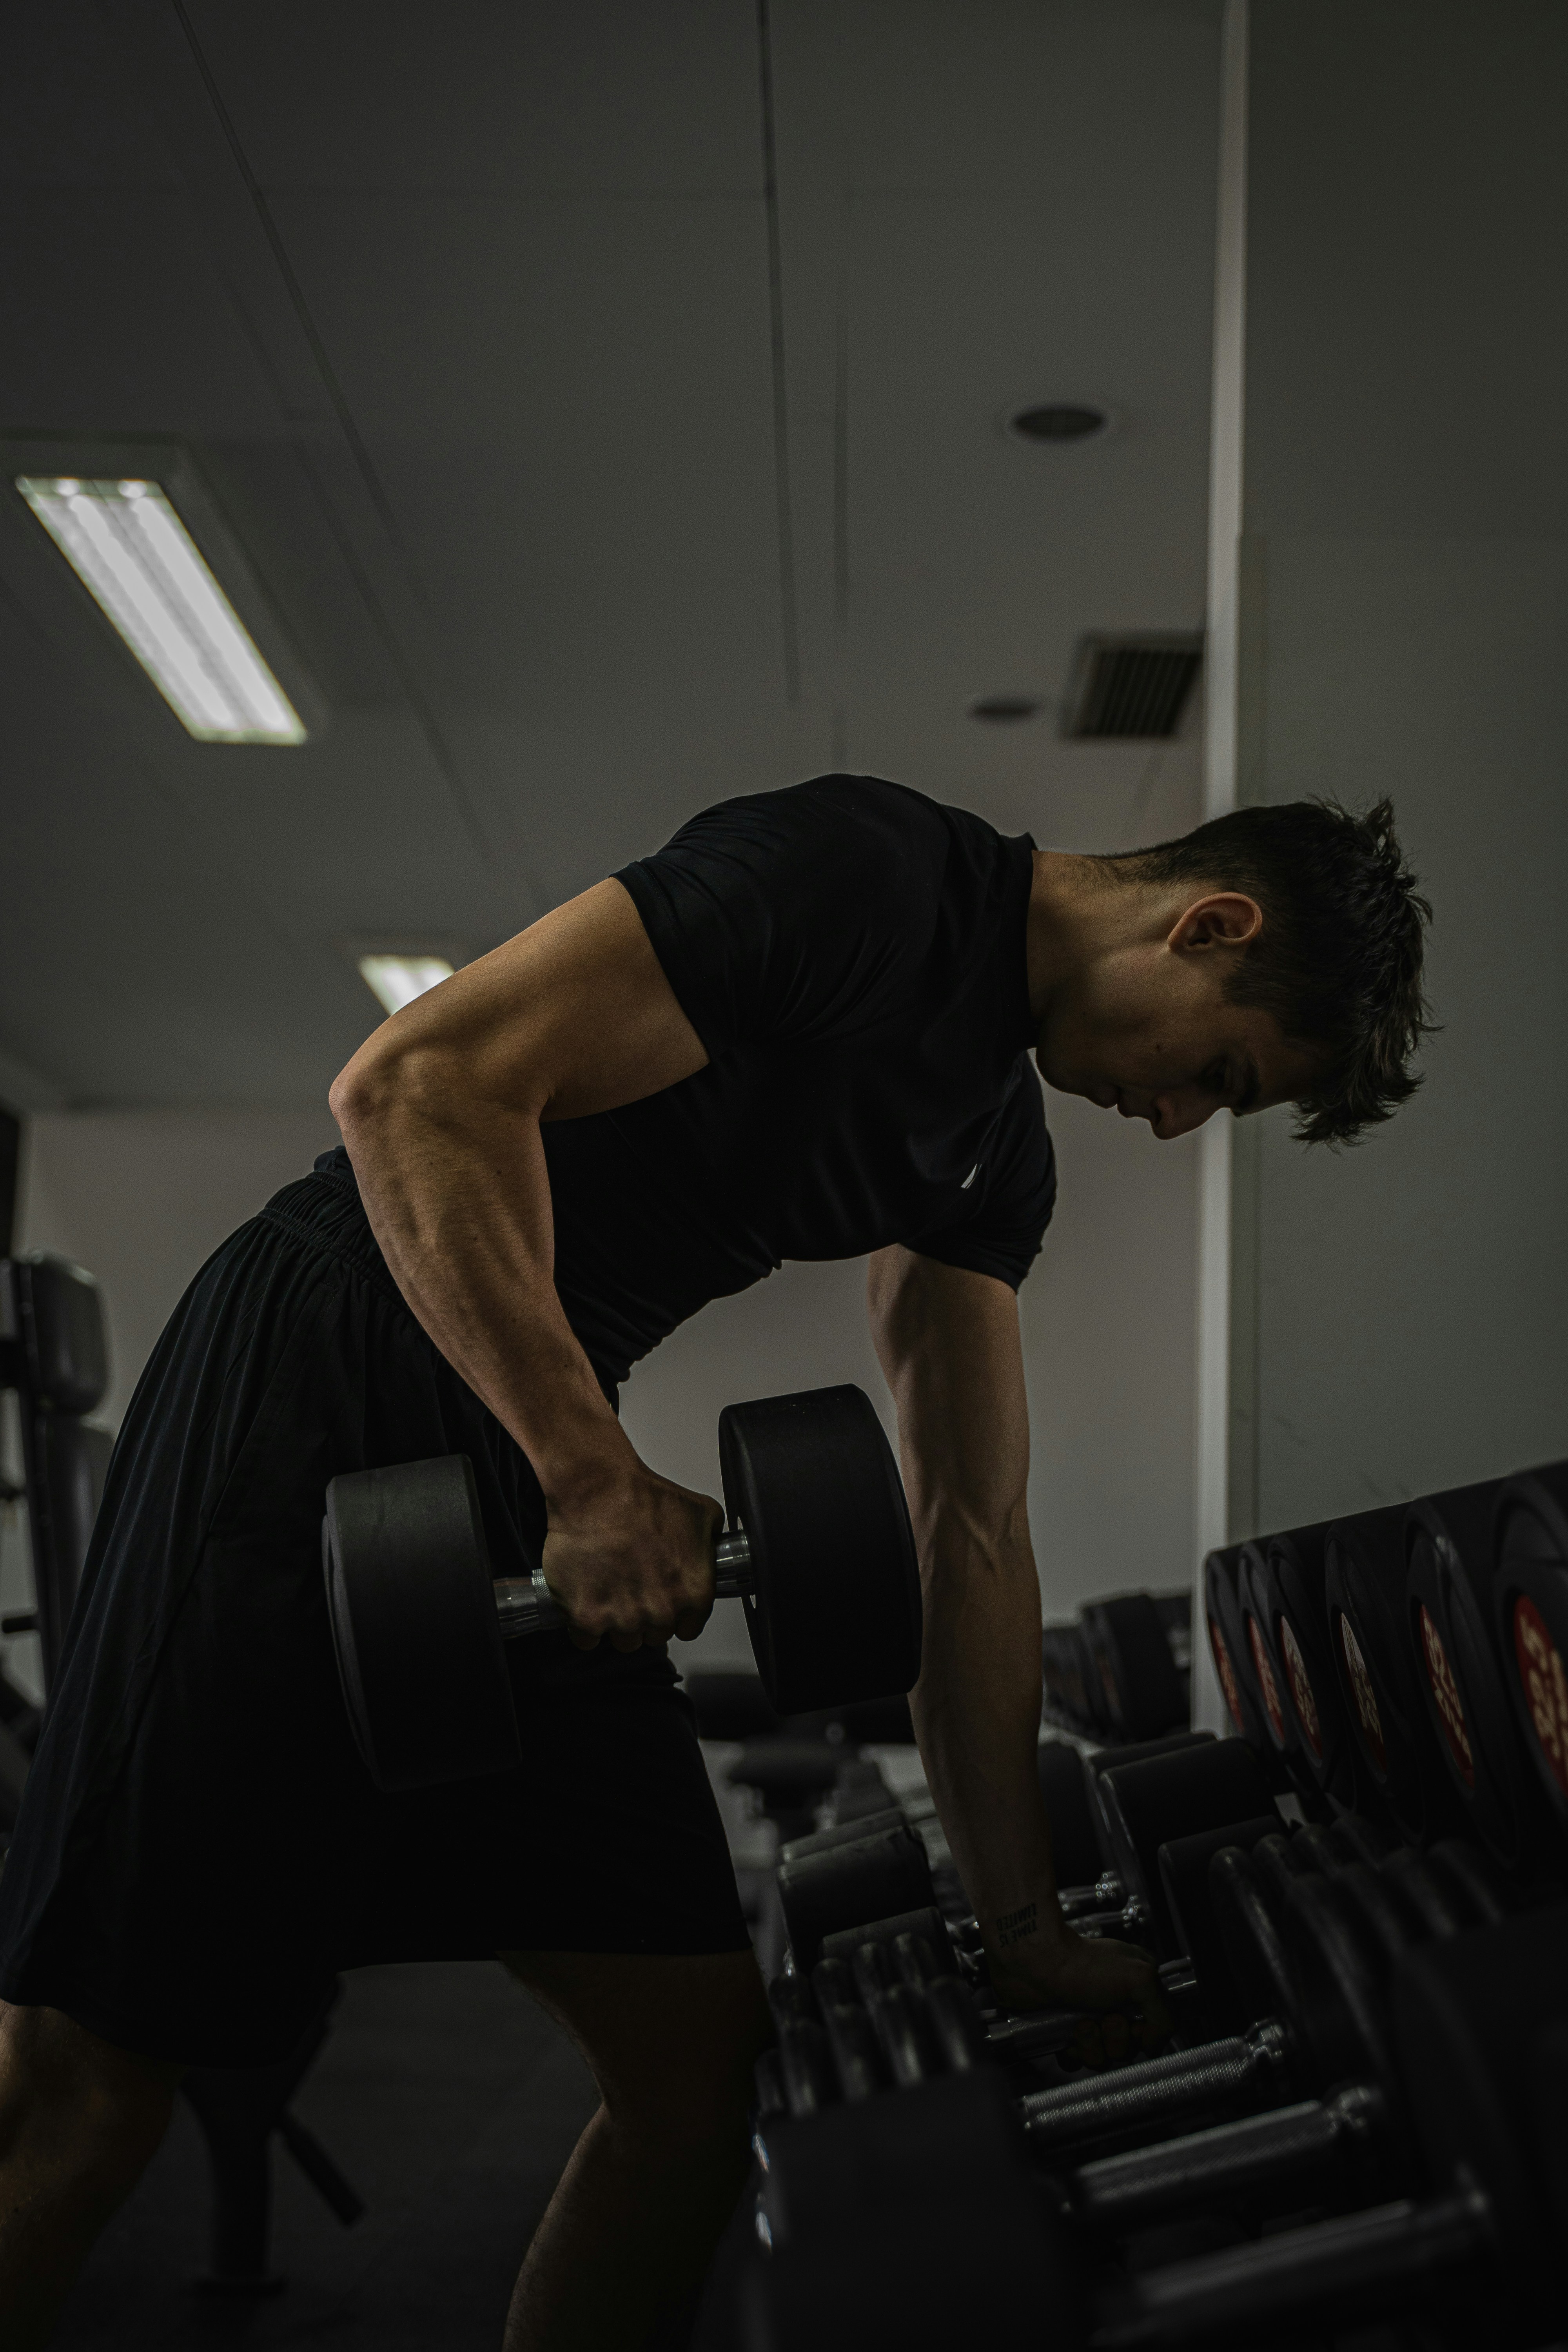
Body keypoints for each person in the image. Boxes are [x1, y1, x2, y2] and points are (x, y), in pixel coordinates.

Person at [0, 773, 1430, 2349]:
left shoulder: (986, 1152)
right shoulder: (869, 875)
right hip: (323, 1364)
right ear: (1205, 925)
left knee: (696, 2079)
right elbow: (414, 1087)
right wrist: (589, 1473)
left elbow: (970, 1528)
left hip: (535, 1455)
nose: (1172, 1121)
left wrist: (1025, 1932)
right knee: (84, 2089)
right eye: (1215, 1074)